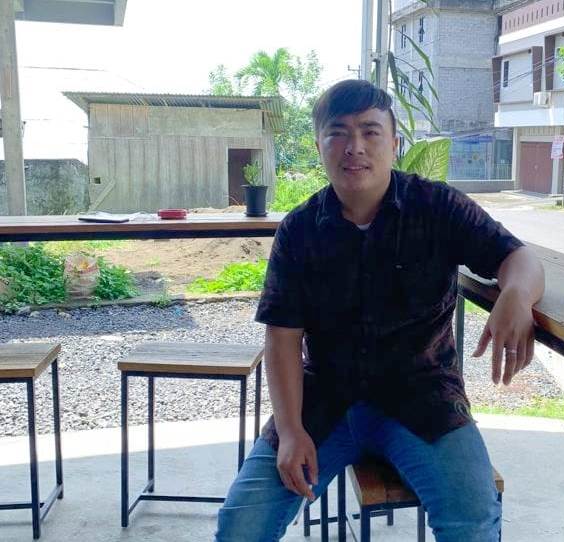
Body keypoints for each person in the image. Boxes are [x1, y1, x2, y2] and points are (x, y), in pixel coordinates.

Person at [215, 79, 544, 542]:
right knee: (240, 526)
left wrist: (516, 294)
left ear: (394, 143)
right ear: (319, 146)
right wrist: (289, 430)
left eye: (370, 131)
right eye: (338, 133)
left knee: (472, 524)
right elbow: (282, 337)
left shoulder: (437, 207)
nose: (355, 147)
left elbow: (519, 257)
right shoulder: (300, 230)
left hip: (423, 400)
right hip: (324, 402)